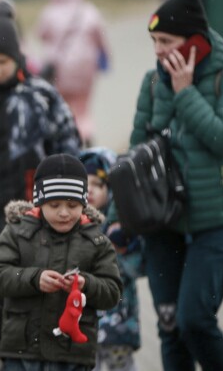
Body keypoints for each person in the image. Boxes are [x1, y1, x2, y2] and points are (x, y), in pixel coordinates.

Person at [133, 0, 223, 370]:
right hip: (162, 220)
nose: (158, 50)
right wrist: (119, 217)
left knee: (195, 321)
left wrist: (185, 94)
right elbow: (133, 159)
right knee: (170, 327)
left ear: (195, 42)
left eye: (166, 41)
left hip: (214, 221)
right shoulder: (153, 82)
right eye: (154, 41)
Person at [0, 1, 82, 357]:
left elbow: (68, 148)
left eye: (2, 61)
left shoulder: (40, 96)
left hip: (30, 220)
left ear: (17, 58)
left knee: (23, 303)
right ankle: (6, 356)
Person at [0, 153, 122, 371]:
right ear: (39, 202)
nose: (64, 213)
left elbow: (112, 291)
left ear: (84, 203)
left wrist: (85, 283)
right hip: (22, 352)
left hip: (74, 354)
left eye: (72, 204)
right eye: (55, 204)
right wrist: (34, 279)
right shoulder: (17, 232)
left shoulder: (96, 241)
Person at [80, 147, 145, 371]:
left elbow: (136, 269)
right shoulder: (72, 227)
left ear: (111, 190)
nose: (90, 190)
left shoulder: (120, 228)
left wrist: (124, 248)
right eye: (84, 183)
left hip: (119, 323)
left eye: (98, 184)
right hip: (83, 326)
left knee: (121, 366)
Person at [37, 0, 111, 144]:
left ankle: (68, 135)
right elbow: (101, 40)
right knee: (83, 106)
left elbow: (41, 35)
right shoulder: (89, 11)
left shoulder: (49, 13)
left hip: (59, 70)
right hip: (86, 68)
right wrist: (105, 60)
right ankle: (86, 132)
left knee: (63, 104)